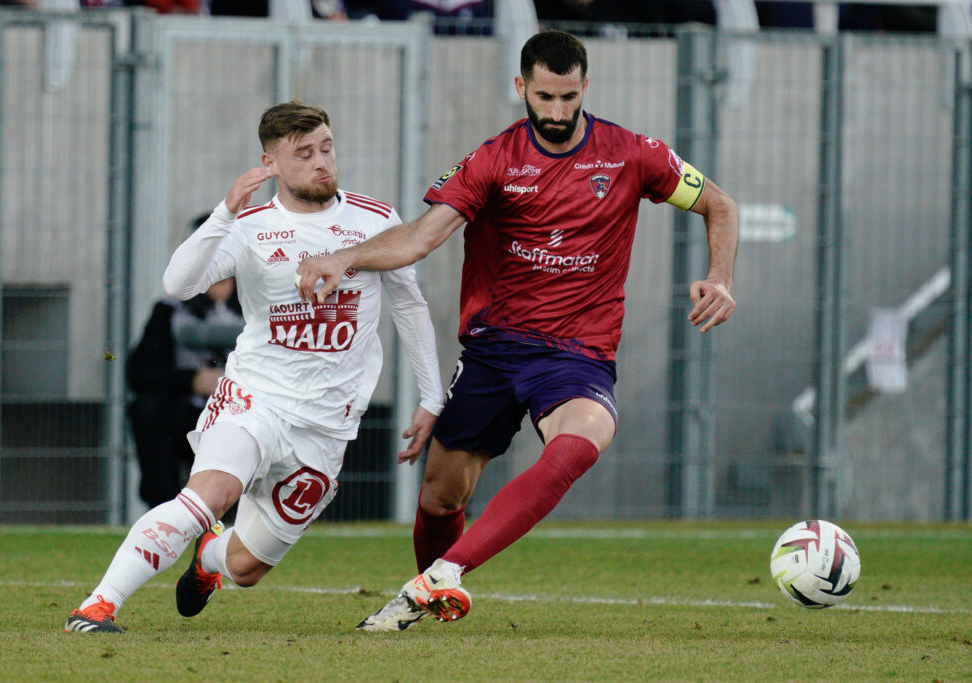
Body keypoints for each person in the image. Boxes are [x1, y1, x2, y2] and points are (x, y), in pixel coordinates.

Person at [296, 29, 739, 631]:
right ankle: (430, 601)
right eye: (544, 98)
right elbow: (424, 237)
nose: (556, 113)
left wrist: (719, 276)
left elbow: (721, 204)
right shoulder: (494, 159)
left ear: (586, 87)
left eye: (568, 98)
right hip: (494, 351)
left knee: (580, 442)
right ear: (521, 88)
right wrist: (347, 256)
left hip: (578, 353)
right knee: (439, 496)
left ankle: (443, 576)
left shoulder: (635, 154)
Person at [65, 100, 444, 633]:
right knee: (206, 497)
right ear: (270, 163)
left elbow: (408, 304)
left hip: (326, 424)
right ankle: (97, 606)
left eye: (327, 148)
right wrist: (224, 213)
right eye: (304, 153)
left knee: (247, 567)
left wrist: (432, 396)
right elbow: (178, 284)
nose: (322, 163)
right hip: (255, 399)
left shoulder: (375, 220)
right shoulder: (250, 228)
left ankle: (208, 560)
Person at [127, 252, 242, 510]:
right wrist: (191, 380)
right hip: (187, 414)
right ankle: (164, 508)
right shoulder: (170, 311)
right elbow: (140, 371)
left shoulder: (259, 306)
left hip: (239, 412)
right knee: (148, 407)